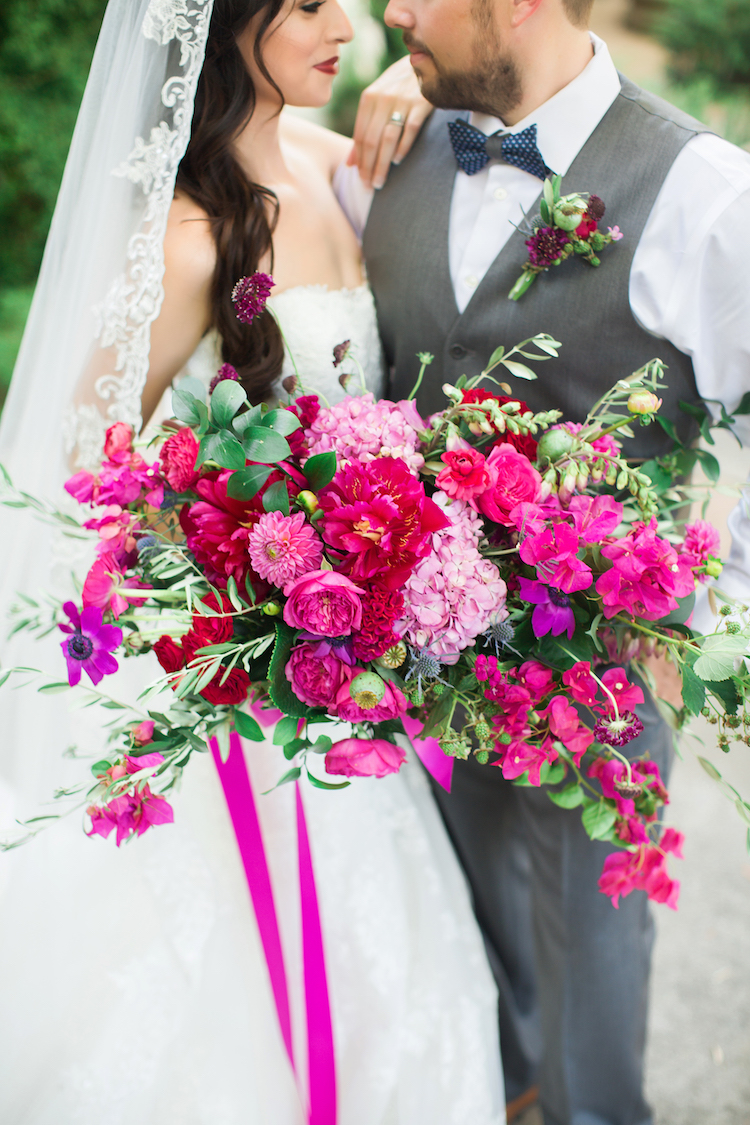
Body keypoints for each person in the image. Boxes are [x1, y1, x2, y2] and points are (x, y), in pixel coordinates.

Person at [0, 1, 505, 1122]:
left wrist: (420, 89)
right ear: (229, 24)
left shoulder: (342, 169)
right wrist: (218, 577)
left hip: (356, 686)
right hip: (246, 691)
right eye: (310, 6)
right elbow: (76, 481)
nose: (347, 24)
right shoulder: (184, 245)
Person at [335, 0, 750, 1121]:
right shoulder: (396, 149)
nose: (391, 12)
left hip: (598, 676)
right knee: (463, 934)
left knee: (590, 972)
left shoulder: (704, 189)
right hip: (423, 668)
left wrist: (711, 616)